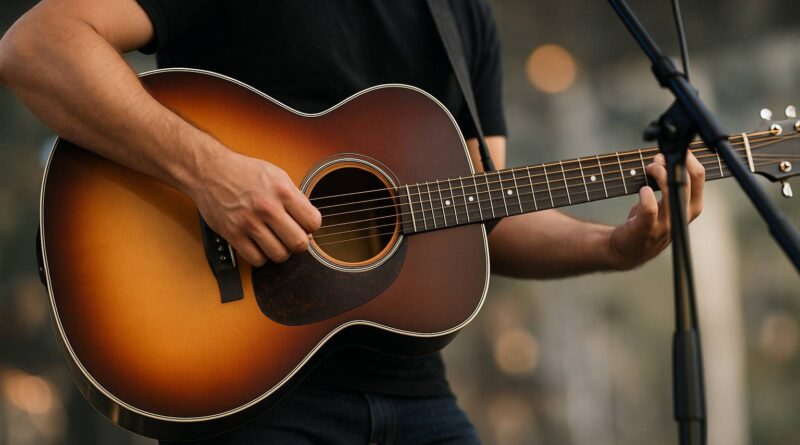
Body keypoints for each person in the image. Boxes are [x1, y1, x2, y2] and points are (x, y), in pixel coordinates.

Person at [0, 0, 705, 443]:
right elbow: (38, 45)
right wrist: (210, 172)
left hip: (416, 397)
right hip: (248, 394)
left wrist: (613, 246)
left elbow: (479, 214)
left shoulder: (463, 17)